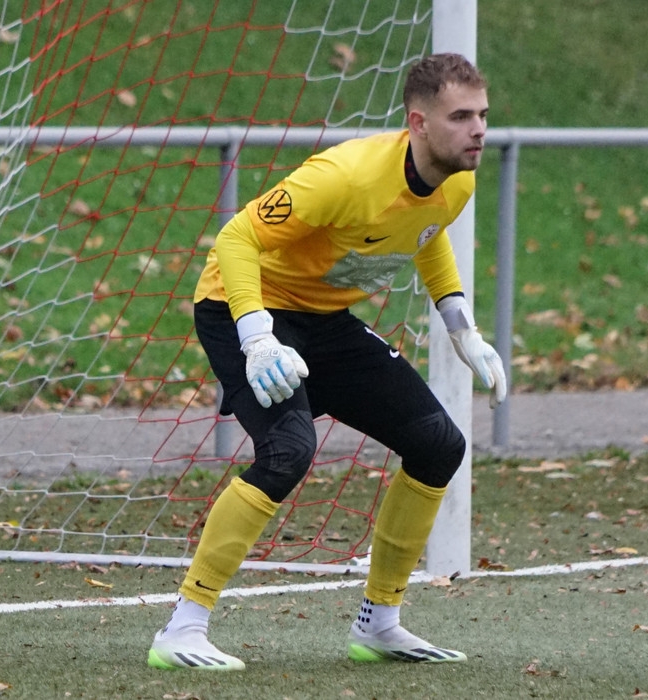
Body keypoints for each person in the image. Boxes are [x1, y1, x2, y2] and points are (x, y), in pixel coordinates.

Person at [147, 52, 507, 671]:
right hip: (239, 306)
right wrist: (257, 337)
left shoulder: (458, 180)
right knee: (287, 451)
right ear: (418, 123)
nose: (478, 130)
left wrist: (460, 326)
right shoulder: (345, 176)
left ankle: (380, 624)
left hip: (323, 320)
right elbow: (237, 237)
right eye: (460, 117)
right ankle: (182, 628)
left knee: (438, 445)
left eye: (482, 114)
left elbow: (427, 231)